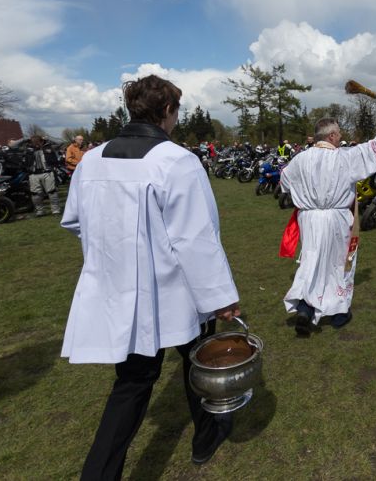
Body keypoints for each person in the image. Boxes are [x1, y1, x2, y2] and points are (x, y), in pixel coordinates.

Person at [60, 74, 241, 477]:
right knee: (198, 361)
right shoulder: (177, 160)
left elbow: (75, 221)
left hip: (119, 290)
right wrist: (220, 298)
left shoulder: (91, 159)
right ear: (168, 111)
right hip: (175, 293)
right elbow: (196, 238)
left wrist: (117, 254)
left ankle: (99, 473)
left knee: (132, 384)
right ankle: (206, 436)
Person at [279, 100, 376, 335]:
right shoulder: (344, 158)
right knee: (339, 263)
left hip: (309, 219)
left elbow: (284, 183)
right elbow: (375, 148)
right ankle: (338, 312)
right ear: (333, 135)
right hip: (335, 218)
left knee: (311, 260)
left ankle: (306, 308)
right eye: (339, 134)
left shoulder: (299, 159)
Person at [25, 135, 61, 216]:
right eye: (34, 143)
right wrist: (24, 139)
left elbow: (60, 143)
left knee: (52, 192)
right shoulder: (28, 149)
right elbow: (13, 146)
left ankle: (55, 210)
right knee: (35, 194)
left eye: (38, 142)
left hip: (47, 172)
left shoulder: (49, 147)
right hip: (34, 174)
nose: (36, 144)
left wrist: (48, 138)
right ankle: (40, 211)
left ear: (42, 141)